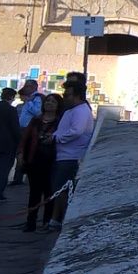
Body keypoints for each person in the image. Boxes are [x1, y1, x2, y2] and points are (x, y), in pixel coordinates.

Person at [46, 77, 94, 229]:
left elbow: (76, 131)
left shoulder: (81, 111)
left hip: (71, 156)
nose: (65, 98)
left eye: (67, 95)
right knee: (58, 189)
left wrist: (56, 138)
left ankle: (60, 219)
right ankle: (55, 218)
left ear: (77, 95)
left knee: (61, 189)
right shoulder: (72, 111)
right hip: (64, 155)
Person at [19, 94, 60, 232]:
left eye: (53, 102)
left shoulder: (60, 122)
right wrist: (21, 154)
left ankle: (47, 221)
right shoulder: (36, 121)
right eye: (47, 101)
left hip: (52, 161)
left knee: (49, 192)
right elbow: (25, 138)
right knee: (34, 192)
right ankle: (30, 222)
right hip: (34, 160)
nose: (49, 103)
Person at [11, 79, 42, 187]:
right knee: (19, 153)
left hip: (29, 130)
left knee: (26, 152)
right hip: (21, 129)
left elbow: (38, 113)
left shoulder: (37, 98)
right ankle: (18, 177)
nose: (26, 88)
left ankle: (26, 177)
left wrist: (29, 103)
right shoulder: (27, 100)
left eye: (28, 86)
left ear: (34, 87)